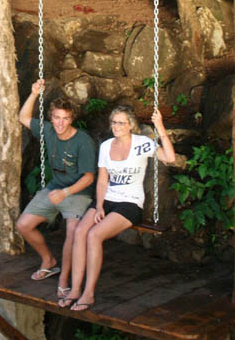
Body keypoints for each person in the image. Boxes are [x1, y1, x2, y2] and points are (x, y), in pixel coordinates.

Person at [60, 104, 175, 312]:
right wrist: (100, 206)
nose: (116, 126)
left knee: (94, 236)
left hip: (130, 203)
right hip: (107, 200)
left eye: (121, 122)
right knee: (79, 232)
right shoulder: (106, 146)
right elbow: (103, 179)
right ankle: (75, 289)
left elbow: (170, 158)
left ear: (130, 125)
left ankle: (89, 294)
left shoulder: (142, 143)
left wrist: (160, 127)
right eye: (114, 122)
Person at [17, 80, 96, 296]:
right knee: (23, 225)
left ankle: (63, 279)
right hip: (54, 188)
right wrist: (33, 94)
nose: (60, 123)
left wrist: (65, 193)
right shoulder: (48, 130)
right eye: (57, 118)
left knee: (72, 232)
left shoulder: (83, 141)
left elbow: (89, 178)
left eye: (65, 118)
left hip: (78, 192)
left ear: (72, 119)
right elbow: (23, 118)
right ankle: (49, 261)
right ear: (51, 118)